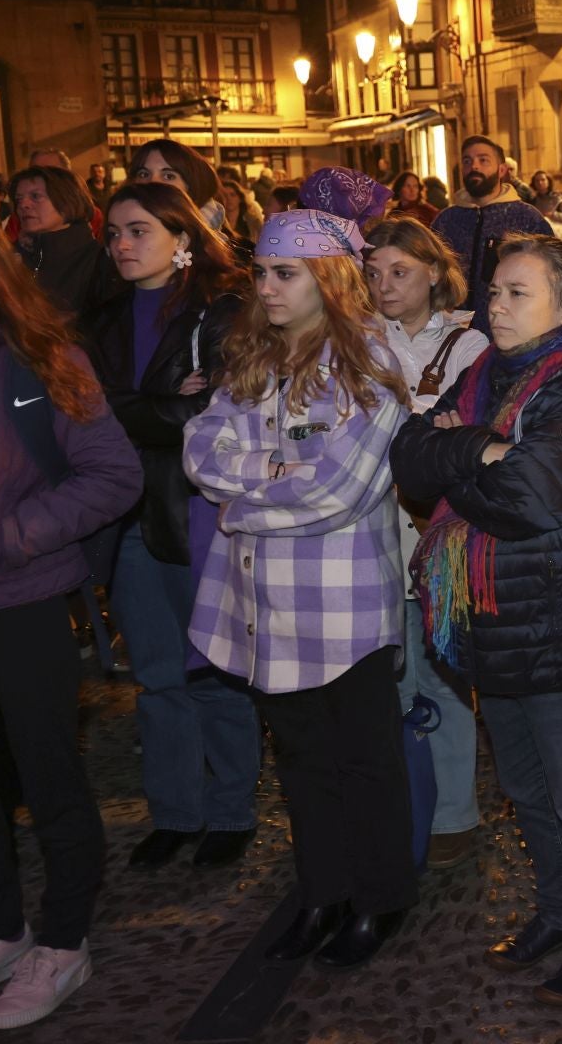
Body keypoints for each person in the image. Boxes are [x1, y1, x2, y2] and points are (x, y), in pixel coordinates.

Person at [393, 235, 562, 1004]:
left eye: (517, 293)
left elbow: (532, 499)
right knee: (530, 798)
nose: (495, 305)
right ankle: (559, 912)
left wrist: (459, 454)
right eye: (493, 291)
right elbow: (407, 457)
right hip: (493, 627)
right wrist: (488, 449)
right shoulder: (480, 376)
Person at [182, 208, 417, 970]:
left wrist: (241, 500)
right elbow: (201, 450)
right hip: (264, 605)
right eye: (261, 273)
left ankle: (382, 896)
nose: (266, 287)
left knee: (364, 757)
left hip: (344, 602)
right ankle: (324, 888)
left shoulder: (373, 361)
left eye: (284, 273)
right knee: (301, 759)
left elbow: (341, 492)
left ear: (328, 277)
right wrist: (274, 479)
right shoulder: (254, 355)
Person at [0, 228, 140, 1029]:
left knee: (48, 777)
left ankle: (63, 939)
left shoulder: (36, 358)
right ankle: (0, 928)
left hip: (22, 601)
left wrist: (12, 536)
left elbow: (114, 475)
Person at [86, 182, 262, 872]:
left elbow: (206, 419)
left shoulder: (221, 312)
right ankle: (176, 812)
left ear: (182, 239)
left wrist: (128, 409)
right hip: (126, 515)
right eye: (114, 234)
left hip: (197, 513)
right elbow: (84, 412)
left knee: (215, 670)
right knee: (156, 677)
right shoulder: (100, 318)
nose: (122, 245)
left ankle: (231, 811)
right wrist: (152, 403)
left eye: (138, 231)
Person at [362, 217, 489, 871]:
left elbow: (468, 434)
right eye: (375, 272)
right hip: (370, 534)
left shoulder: (468, 344)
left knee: (440, 674)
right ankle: (402, 804)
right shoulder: (356, 342)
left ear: (434, 272)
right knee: (387, 676)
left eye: (399, 271)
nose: (384, 285)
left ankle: (453, 814)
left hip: (436, 532)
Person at [433, 136, 554, 332]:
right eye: (467, 161)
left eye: (483, 160)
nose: (474, 166)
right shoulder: (446, 220)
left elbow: (551, 275)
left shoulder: (527, 218)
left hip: (509, 334)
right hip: (452, 336)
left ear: (502, 169)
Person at [8, 166, 112, 320]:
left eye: (36, 196)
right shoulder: (15, 256)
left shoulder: (98, 261)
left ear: (66, 201)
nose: (23, 205)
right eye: (19, 199)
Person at [129, 139, 224, 231]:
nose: (153, 182)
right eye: (144, 174)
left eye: (168, 176)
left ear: (191, 185)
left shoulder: (206, 242)